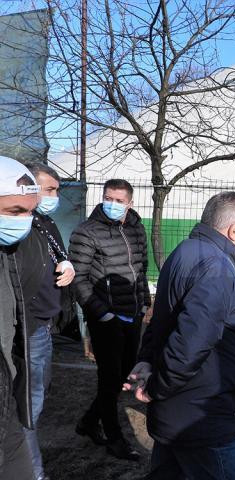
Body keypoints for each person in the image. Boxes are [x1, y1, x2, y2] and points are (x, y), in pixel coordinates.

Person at [124, 192, 235, 479]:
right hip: (201, 413)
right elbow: (191, 341)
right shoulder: (215, 265)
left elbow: (163, 317)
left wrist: (148, 360)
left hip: (183, 408)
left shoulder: (187, 251)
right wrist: (156, 387)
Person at [69, 179, 151, 461]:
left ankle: (89, 422)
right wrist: (102, 313)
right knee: (109, 378)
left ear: (129, 203)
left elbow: (141, 269)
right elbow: (78, 279)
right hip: (106, 318)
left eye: (118, 200)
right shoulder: (87, 232)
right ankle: (114, 437)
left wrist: (144, 305)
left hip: (133, 314)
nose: (112, 204)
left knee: (124, 372)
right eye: (108, 198)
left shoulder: (137, 227)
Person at [16, 162, 77, 480]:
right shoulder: (18, 224)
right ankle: (30, 471)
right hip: (25, 326)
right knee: (27, 404)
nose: (54, 196)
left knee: (35, 398)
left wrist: (66, 264)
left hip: (43, 324)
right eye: (49, 189)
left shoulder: (45, 223)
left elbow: (57, 255)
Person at [0, 155, 39, 479]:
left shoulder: (8, 254)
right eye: (15, 212)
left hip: (5, 406)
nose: (25, 221)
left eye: (30, 211)